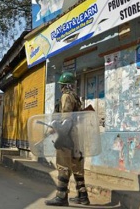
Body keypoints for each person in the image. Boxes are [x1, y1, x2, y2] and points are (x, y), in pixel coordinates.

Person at [45, 72, 90, 206]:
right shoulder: (76, 98)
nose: (61, 88)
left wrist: (52, 129)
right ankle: (83, 196)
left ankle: (61, 196)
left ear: (64, 85)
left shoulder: (66, 97)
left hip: (66, 136)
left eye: (61, 85)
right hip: (77, 136)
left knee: (63, 165)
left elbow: (65, 118)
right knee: (77, 166)